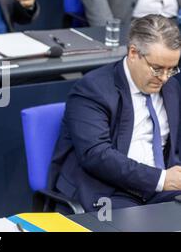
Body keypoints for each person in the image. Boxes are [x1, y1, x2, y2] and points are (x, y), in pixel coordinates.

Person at [50, 14, 181, 213]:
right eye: (157, 69)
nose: (164, 77)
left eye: (172, 69)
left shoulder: (171, 87)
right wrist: (161, 179)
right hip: (107, 191)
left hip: (158, 189)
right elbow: (97, 156)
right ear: (133, 53)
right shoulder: (93, 89)